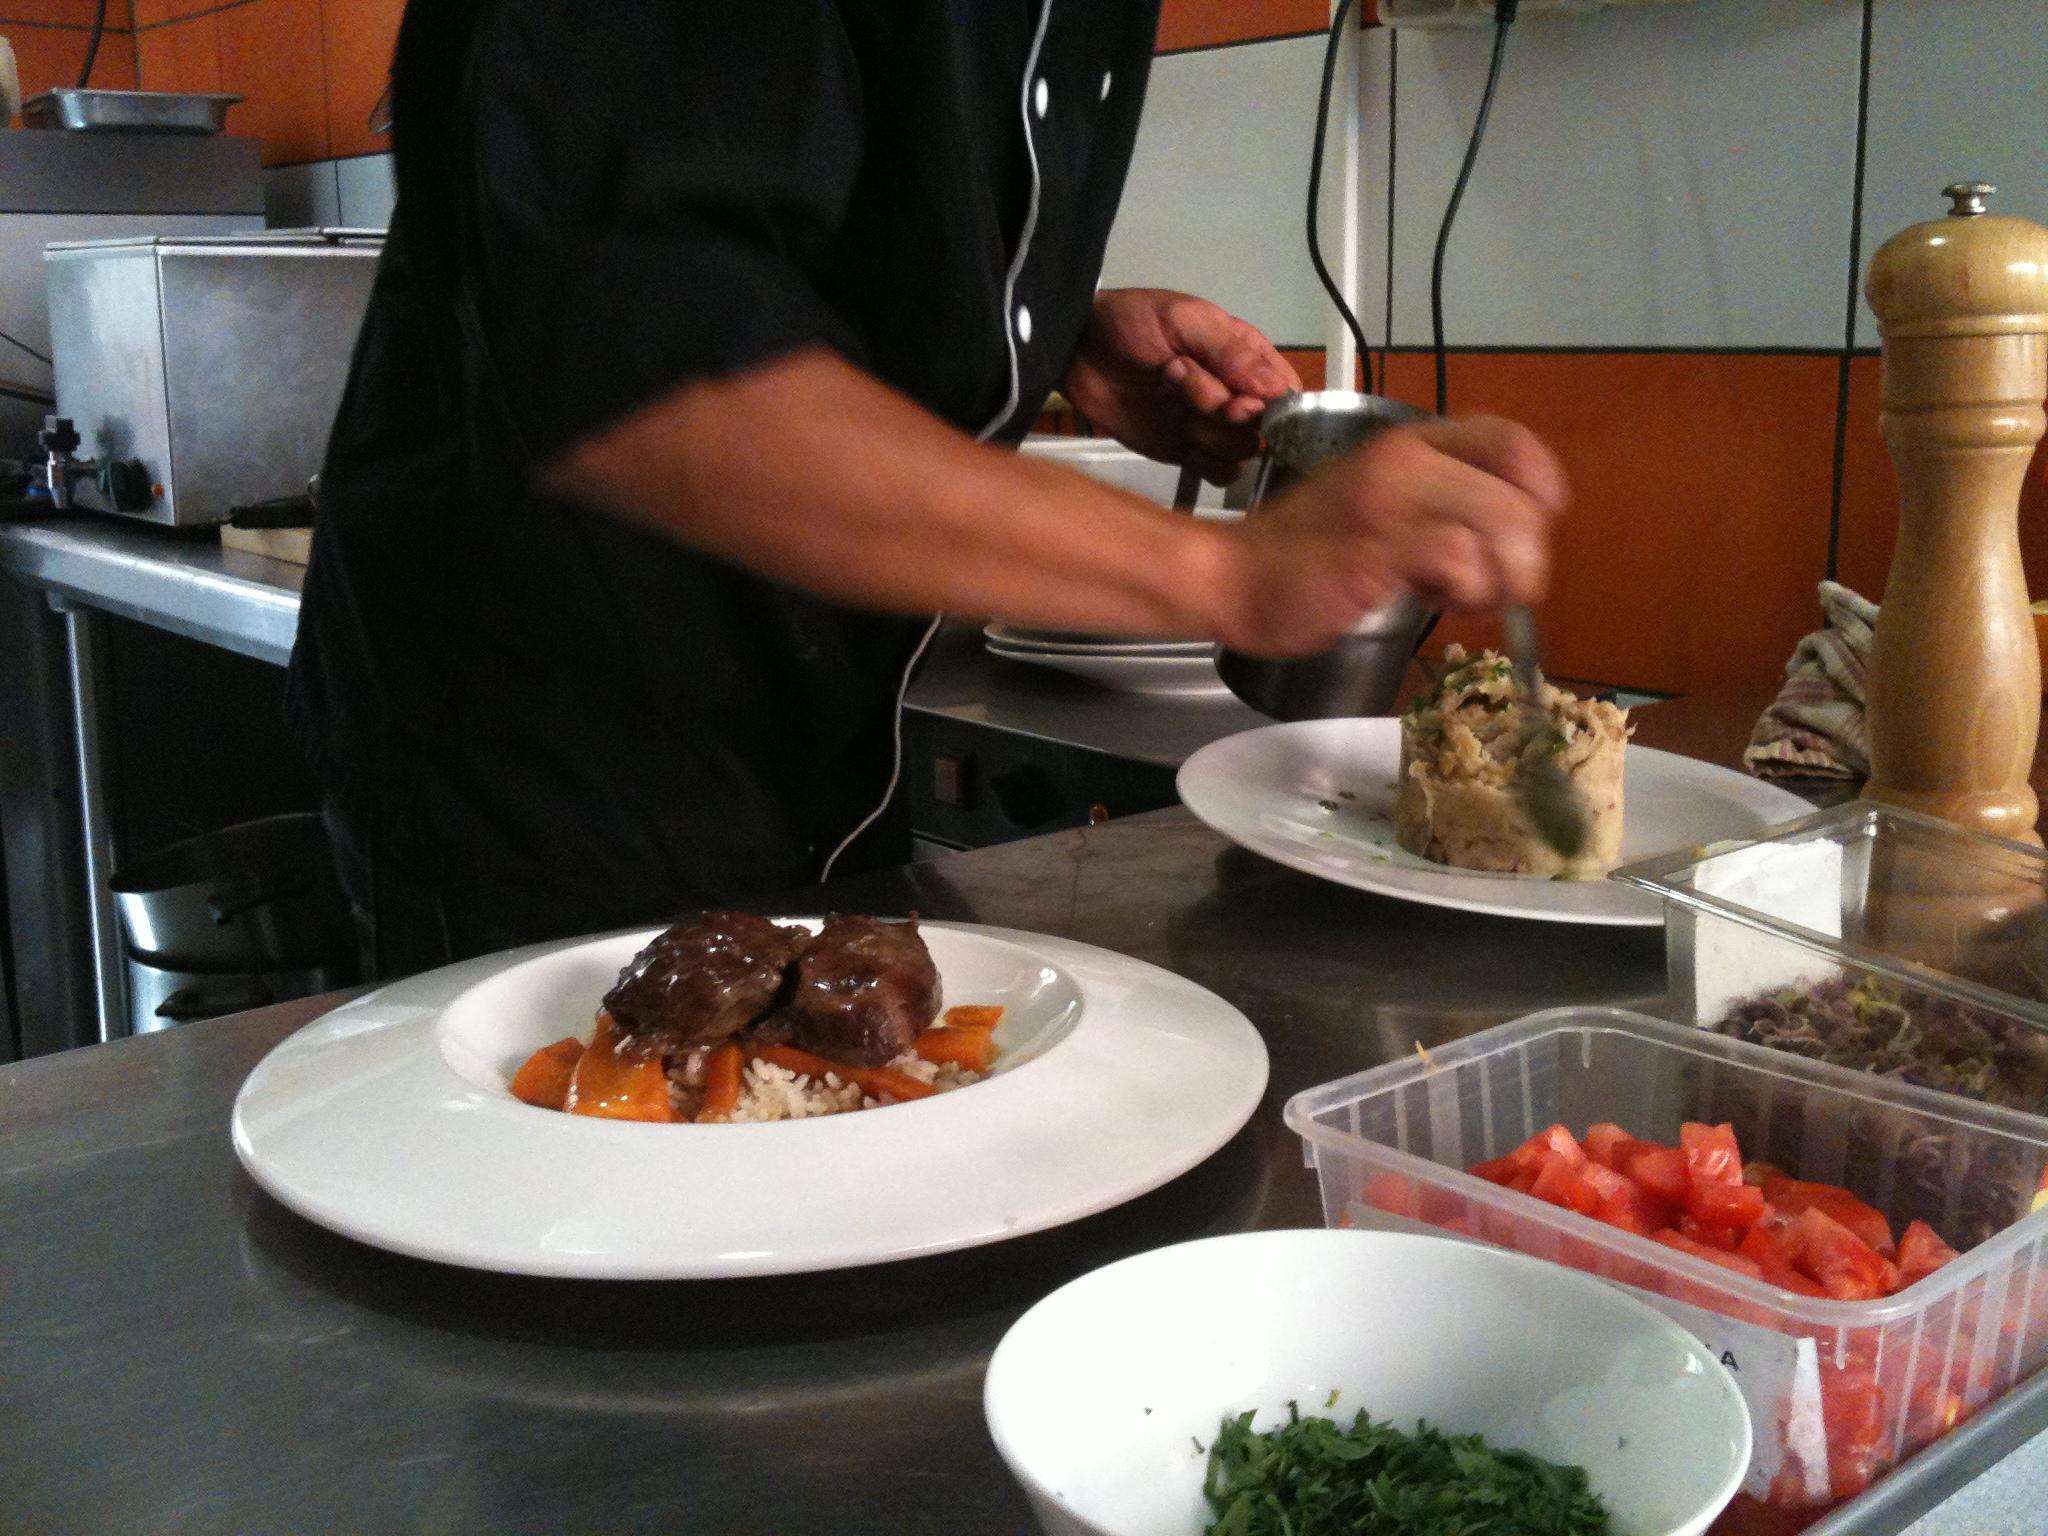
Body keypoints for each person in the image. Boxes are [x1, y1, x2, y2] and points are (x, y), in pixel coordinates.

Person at [287, 1, 1567, 980]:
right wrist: (1229, 572)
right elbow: (629, 366)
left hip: (815, 745)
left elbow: (816, 213)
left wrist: (1046, 336)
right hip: (545, 764)